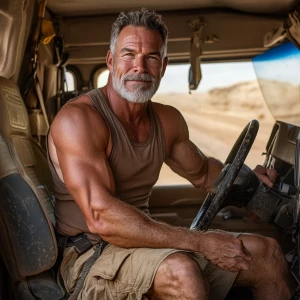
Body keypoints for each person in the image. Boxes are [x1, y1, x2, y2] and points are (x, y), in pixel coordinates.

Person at [47, 8, 293, 300]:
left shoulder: (167, 121)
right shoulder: (79, 120)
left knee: (268, 254)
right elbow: (102, 219)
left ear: (163, 66)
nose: (139, 67)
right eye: (128, 55)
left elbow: (203, 173)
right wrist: (200, 242)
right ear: (111, 61)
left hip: (143, 247)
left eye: (151, 57)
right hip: (89, 256)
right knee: (182, 272)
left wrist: (251, 185)